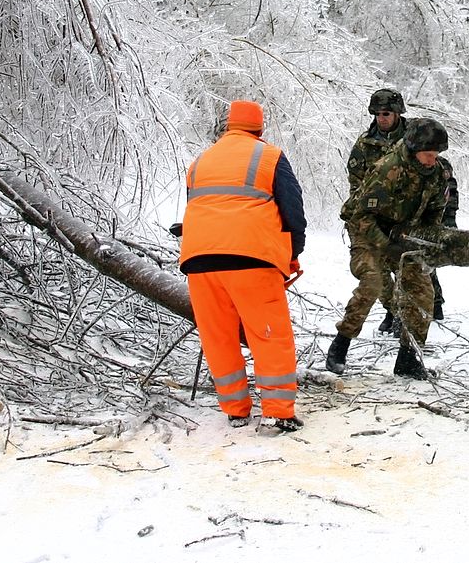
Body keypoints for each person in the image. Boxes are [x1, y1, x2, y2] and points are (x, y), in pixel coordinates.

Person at [179, 100, 308, 432]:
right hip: (253, 260)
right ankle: (278, 412)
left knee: (218, 337)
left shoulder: (199, 162)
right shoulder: (269, 157)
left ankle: (235, 410)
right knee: (269, 336)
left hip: (199, 261)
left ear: (227, 126)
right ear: (260, 128)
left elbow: (196, 208)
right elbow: (293, 210)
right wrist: (294, 252)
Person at [327, 117, 451, 380]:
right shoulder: (389, 170)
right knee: (372, 282)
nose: (432, 159)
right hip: (367, 231)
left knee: (422, 292)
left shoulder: (438, 174)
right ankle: (341, 343)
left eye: (435, 155)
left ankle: (409, 358)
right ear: (414, 148)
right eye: (428, 154)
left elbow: (435, 212)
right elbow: (362, 216)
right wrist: (387, 246)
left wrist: (426, 241)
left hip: (403, 233)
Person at [346, 89, 454, 330]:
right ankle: (393, 311)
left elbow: (440, 176)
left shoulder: (418, 137)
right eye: (378, 114)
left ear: (397, 113)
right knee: (380, 270)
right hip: (378, 212)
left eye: (387, 113)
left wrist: (446, 217)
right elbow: (357, 180)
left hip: (412, 211)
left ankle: (433, 303)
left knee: (419, 260)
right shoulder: (365, 144)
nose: (382, 118)